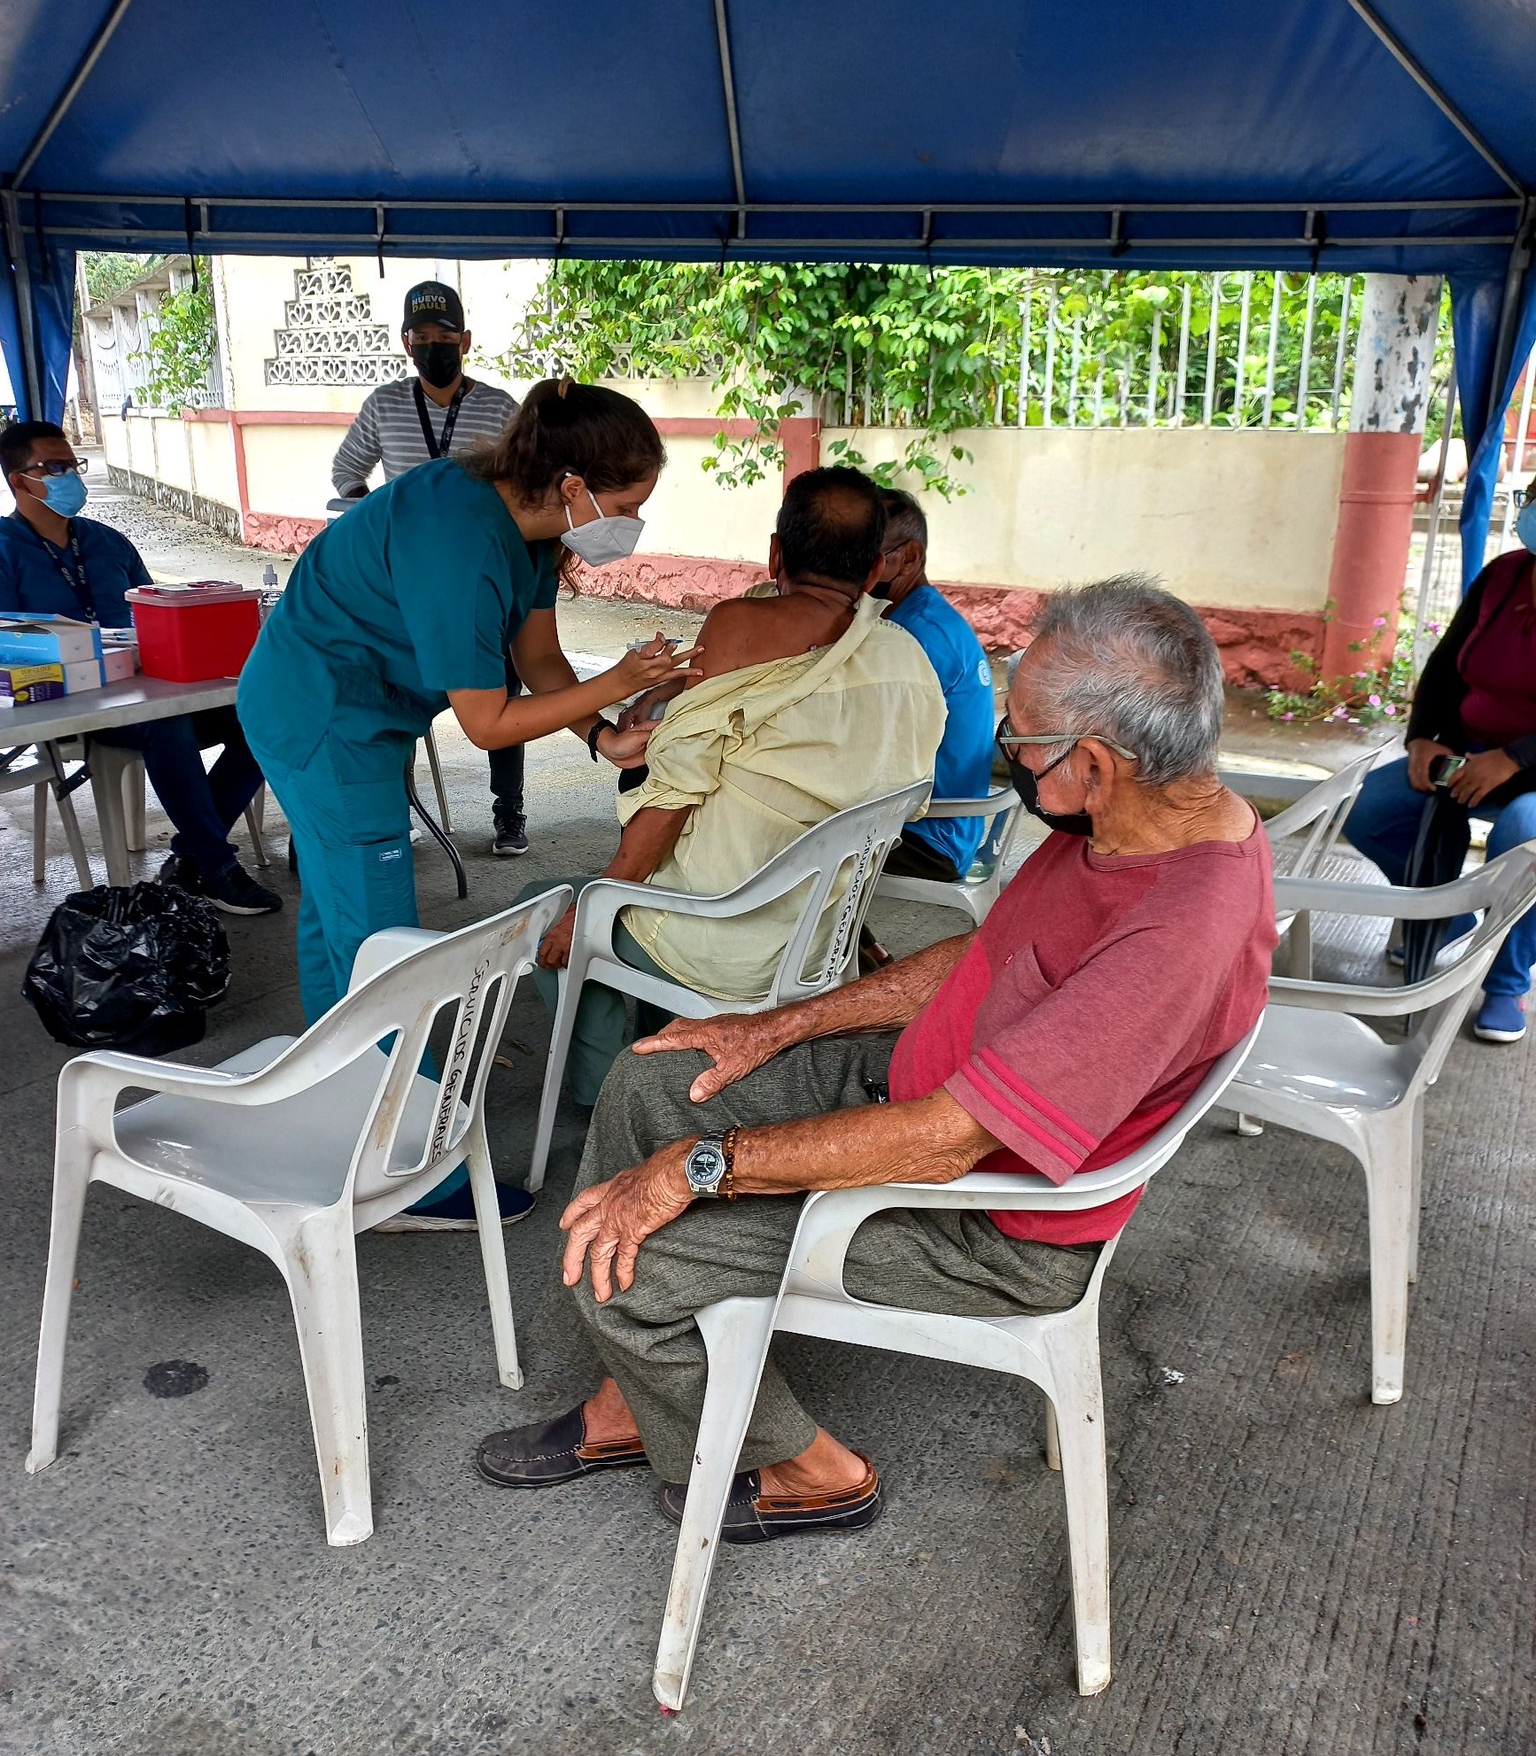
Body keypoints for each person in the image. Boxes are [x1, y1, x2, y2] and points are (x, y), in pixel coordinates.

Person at [475, 576, 1275, 1539]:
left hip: (989, 1226)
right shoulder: (1135, 818)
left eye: (1021, 740)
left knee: (644, 1265)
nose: (1008, 755)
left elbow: (945, 1143)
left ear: (1096, 764)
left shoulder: (1177, 932)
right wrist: (779, 1026)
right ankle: (635, 1398)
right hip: (919, 1089)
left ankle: (813, 1472)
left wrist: (700, 1168)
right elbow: (981, 957)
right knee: (655, 1079)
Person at [238, 379, 691, 1229]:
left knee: (340, 919)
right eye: (629, 503)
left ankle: (335, 1103)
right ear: (572, 484)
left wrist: (602, 734)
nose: (633, 522)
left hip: (355, 716)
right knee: (385, 950)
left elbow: (541, 662)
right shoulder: (458, 534)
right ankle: (402, 1175)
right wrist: (621, 682)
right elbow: (487, 724)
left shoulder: (528, 530)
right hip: (323, 720)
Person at [514, 466, 947, 1108]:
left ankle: (607, 1099)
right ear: (876, 570)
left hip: (725, 944)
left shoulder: (739, 626)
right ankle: (673, 1064)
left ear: (775, 554)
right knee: (634, 890)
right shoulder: (905, 658)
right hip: (819, 946)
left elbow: (669, 802)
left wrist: (588, 907)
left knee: (550, 906)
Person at [0, 420, 280, 915]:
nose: (70, 477)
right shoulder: (5, 549)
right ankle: (215, 866)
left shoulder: (107, 542)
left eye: (73, 465)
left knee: (266, 716)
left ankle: (192, 858)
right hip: (65, 699)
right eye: (55, 468)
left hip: (143, 686)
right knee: (165, 725)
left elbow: (155, 613)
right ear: (19, 480)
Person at [331, 279, 532, 861]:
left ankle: (509, 811)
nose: (432, 346)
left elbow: (524, 478)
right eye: (420, 337)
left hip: (479, 574)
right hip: (407, 582)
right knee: (395, 690)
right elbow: (346, 470)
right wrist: (377, 518)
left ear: (464, 341)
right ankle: (399, 806)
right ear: (405, 342)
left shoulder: (500, 407)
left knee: (502, 688)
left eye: (443, 336)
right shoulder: (384, 405)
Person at [1344, 500, 1536, 1044]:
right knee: (1370, 809)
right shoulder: (1505, 575)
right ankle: (1441, 915)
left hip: (1526, 768)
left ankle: (1506, 981)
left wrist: (1515, 758)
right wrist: (1426, 737)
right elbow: (1448, 665)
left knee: (1524, 835)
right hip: (1470, 751)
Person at [871, 486, 997, 879]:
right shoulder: (920, 617)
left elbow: (875, 757)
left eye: (870, 555)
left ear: (910, 558)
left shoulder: (915, 635)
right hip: (943, 827)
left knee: (784, 840)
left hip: (929, 839)